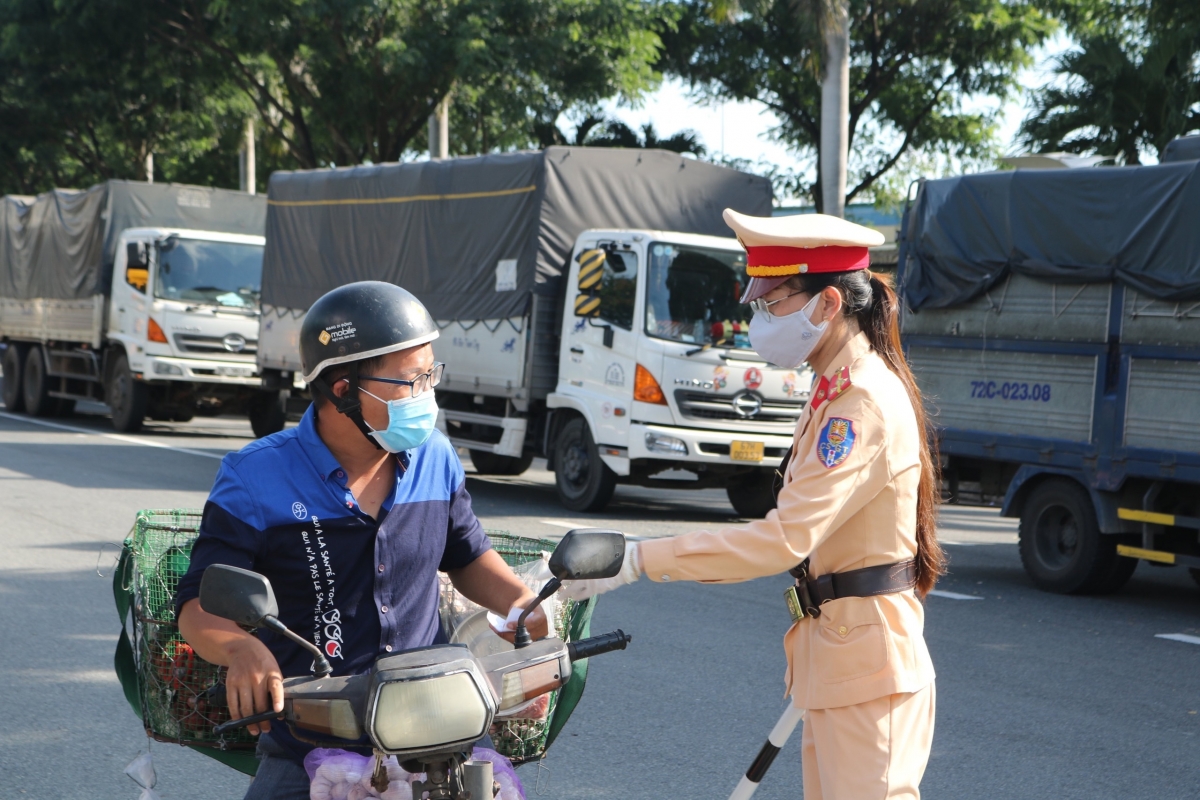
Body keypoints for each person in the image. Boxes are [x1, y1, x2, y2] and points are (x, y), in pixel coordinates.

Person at [565, 210, 946, 800]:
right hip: (842, 660)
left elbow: (782, 539)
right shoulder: (833, 389)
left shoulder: (860, 402)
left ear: (827, 304)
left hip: (869, 669)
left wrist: (637, 560)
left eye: (773, 303)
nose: (757, 320)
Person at [175, 280, 547, 799]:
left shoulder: (436, 458)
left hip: (438, 730)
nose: (426, 394)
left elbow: (466, 555)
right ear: (343, 389)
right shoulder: (254, 477)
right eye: (410, 381)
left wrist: (520, 602)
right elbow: (197, 606)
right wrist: (240, 648)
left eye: (430, 375)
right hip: (310, 739)